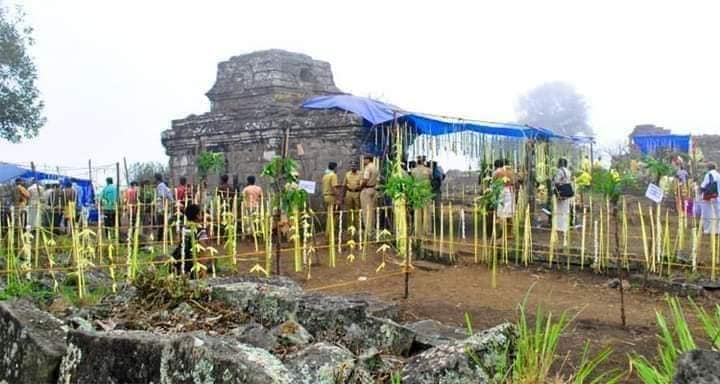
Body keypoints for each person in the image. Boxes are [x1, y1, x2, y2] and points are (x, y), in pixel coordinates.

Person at [171, 203, 209, 278]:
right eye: (201, 213)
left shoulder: (184, 228)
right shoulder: (201, 231)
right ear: (198, 216)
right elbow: (202, 249)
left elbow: (179, 242)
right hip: (194, 260)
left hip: (182, 257)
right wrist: (202, 267)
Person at [411, 156, 432, 236]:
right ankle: (427, 231)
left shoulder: (413, 171)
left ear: (417, 161)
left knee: (417, 211)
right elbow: (431, 178)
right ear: (424, 161)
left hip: (417, 191)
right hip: (426, 191)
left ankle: (418, 231)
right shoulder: (429, 170)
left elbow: (412, 180)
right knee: (426, 211)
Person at [360, 155, 379, 238]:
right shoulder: (375, 167)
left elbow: (365, 179)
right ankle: (373, 230)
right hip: (373, 190)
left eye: (365, 159)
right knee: (372, 211)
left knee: (366, 212)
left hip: (366, 190)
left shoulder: (368, 168)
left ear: (368, 160)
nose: (364, 161)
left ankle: (369, 232)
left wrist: (360, 186)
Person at [553, 158, 573, 233]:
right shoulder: (568, 171)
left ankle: (560, 226)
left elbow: (557, 181)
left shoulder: (560, 171)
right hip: (567, 191)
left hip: (561, 191)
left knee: (559, 209)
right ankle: (565, 226)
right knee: (566, 209)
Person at [700, 162, 720, 235]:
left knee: (707, 213)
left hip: (708, 197)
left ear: (708, 168)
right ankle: (718, 230)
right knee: (718, 213)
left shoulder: (708, 174)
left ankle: (707, 230)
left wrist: (701, 191)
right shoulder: (718, 175)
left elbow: (704, 185)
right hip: (717, 197)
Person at [343, 160, 363, 231]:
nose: (353, 166)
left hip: (357, 193)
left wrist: (358, 187)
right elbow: (344, 185)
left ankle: (358, 227)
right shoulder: (347, 174)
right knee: (349, 210)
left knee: (357, 210)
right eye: (352, 165)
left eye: (354, 165)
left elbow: (361, 184)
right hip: (349, 193)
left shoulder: (360, 174)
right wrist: (343, 196)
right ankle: (350, 227)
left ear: (357, 166)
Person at [322, 162, 340, 239]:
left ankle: (328, 233)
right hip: (331, 197)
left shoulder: (325, 175)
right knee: (333, 217)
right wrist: (338, 197)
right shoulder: (333, 175)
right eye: (337, 168)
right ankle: (330, 234)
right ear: (335, 168)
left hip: (325, 196)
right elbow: (334, 187)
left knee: (329, 216)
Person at [155, 173, 174, 241]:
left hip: (162, 208)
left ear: (156, 179)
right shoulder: (165, 187)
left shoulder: (160, 186)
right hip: (166, 207)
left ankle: (160, 239)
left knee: (161, 223)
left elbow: (162, 196)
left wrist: (162, 208)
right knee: (164, 223)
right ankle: (164, 238)